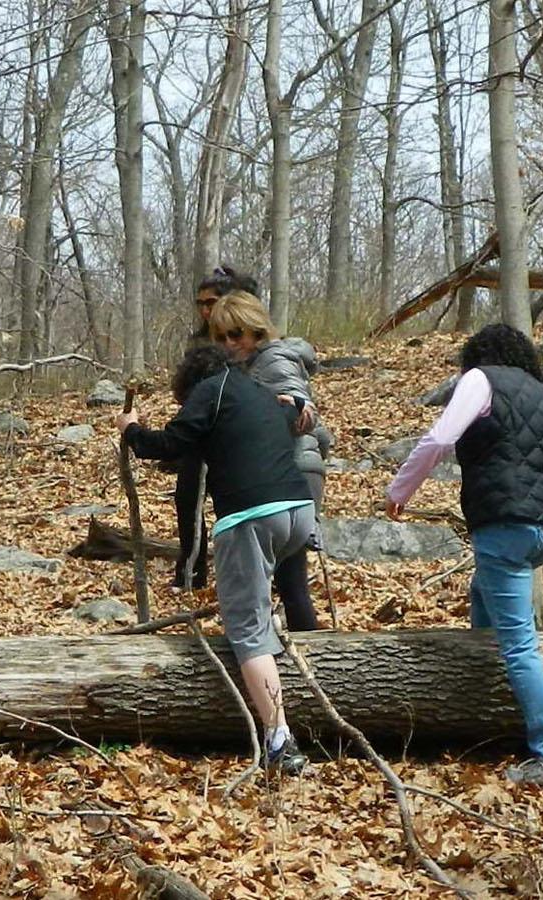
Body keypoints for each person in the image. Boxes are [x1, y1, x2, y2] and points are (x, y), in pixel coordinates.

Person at [384, 323, 543, 788]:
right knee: (483, 598)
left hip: (504, 525)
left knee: (518, 644)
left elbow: (439, 438)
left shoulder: (480, 379)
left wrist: (400, 489)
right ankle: (485, 713)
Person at [116, 344, 316, 774]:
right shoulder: (259, 392)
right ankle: (297, 691)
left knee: (246, 629)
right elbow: (290, 416)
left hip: (253, 514)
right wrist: (298, 402)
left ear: (191, 382)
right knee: (267, 608)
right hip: (300, 510)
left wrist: (132, 430)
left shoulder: (210, 389)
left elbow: (170, 444)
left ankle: (279, 739)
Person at [207, 290, 331, 631]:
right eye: (221, 337)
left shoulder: (273, 359)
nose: (229, 343)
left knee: (289, 580)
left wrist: (290, 407)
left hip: (293, 471)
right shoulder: (244, 365)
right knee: (285, 580)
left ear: (257, 331)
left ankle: (307, 660)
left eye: (237, 334)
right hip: (280, 473)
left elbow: (304, 411)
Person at [170, 266, 264, 590]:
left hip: (238, 438)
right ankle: (191, 569)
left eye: (212, 302)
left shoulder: (248, 339)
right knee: (186, 498)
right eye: (201, 303)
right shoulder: (198, 341)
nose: (206, 310)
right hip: (200, 433)